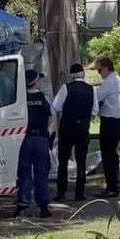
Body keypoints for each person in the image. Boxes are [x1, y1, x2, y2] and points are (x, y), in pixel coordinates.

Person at [52, 63, 99, 201]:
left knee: (63, 161)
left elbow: (55, 106)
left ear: (71, 75)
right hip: (83, 129)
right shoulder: (91, 90)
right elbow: (95, 111)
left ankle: (61, 193)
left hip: (67, 129)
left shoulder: (66, 88)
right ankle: (79, 193)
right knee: (81, 161)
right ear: (83, 74)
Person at [14, 70, 52, 218]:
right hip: (41, 139)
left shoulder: (20, 99)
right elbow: (50, 118)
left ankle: (22, 205)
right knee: (41, 173)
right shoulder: (44, 98)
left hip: (25, 139)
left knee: (24, 174)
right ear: (36, 82)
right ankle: (43, 207)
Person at [95, 57, 120, 198]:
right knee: (112, 154)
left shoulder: (110, 82)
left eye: (99, 69)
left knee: (108, 155)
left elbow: (97, 97)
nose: (98, 73)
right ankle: (114, 184)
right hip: (117, 120)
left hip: (109, 121)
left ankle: (112, 187)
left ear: (107, 68)